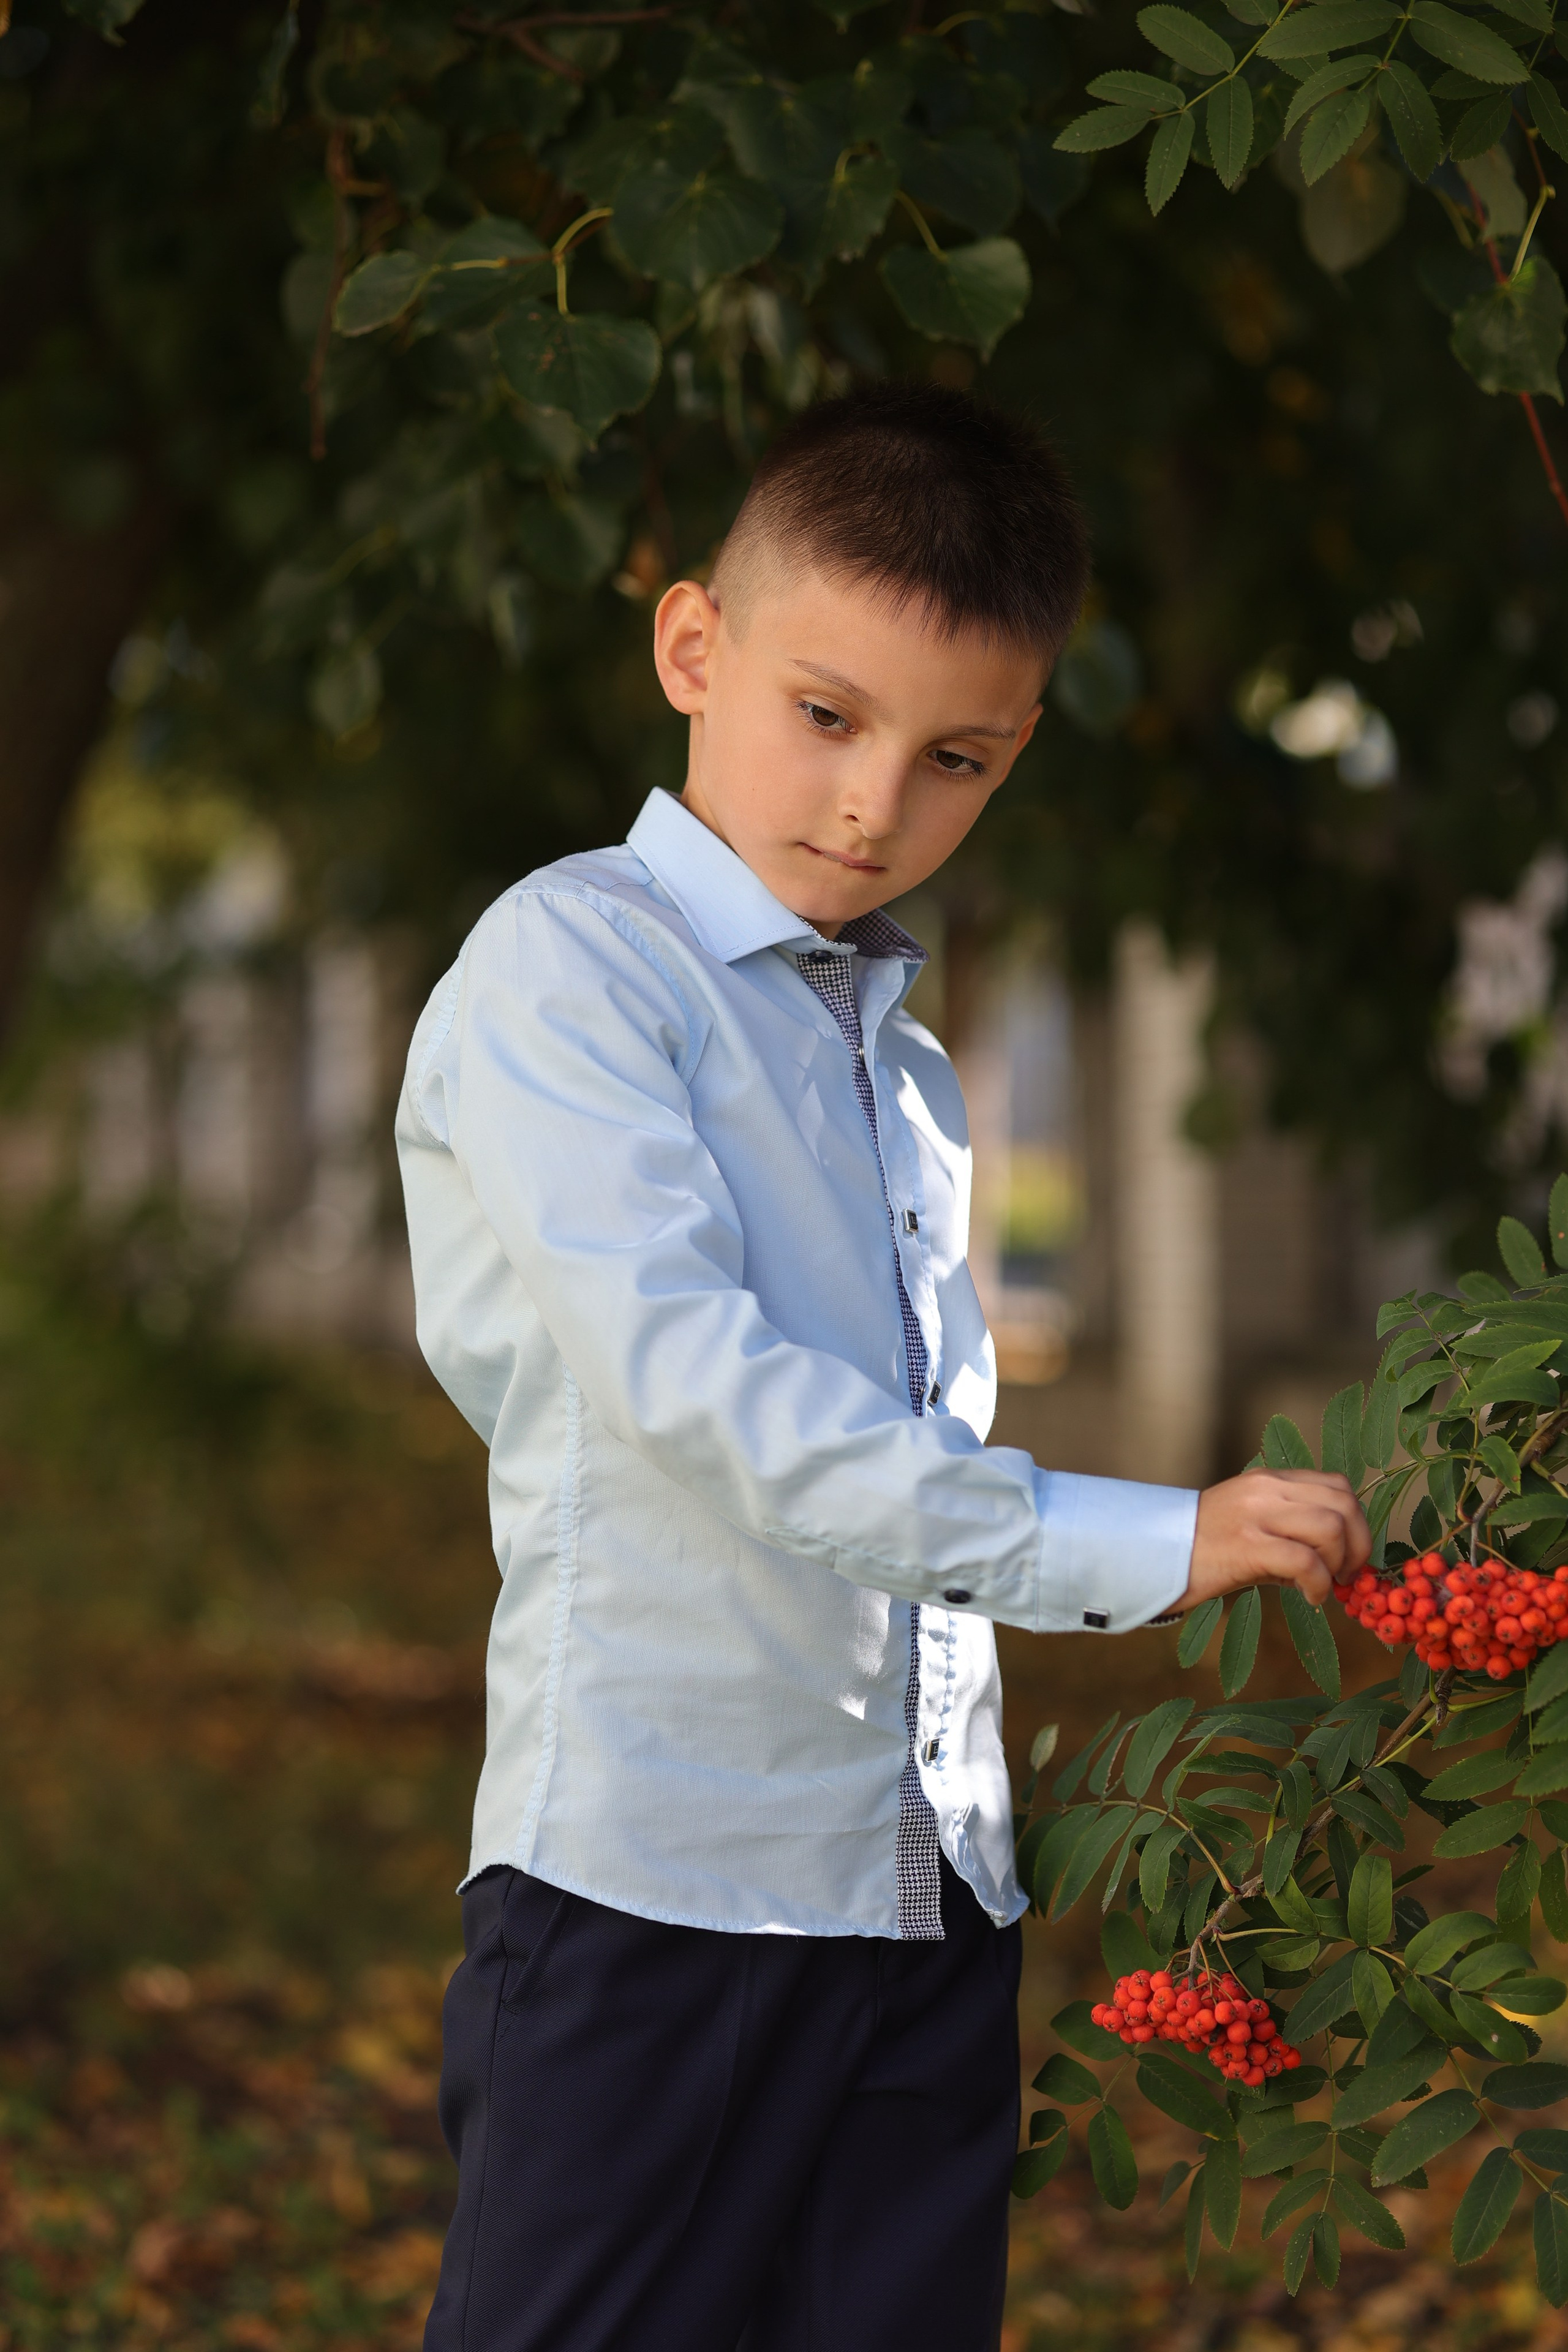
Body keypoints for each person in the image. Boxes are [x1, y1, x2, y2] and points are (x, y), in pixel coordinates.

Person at [396, 380, 1370, 2352]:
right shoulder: (570, 970)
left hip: (925, 1900)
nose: (874, 807)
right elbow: (712, 1400)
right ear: (694, 647)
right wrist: (1148, 1538)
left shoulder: (902, 1065)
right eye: (828, 716)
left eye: (956, 760)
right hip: (656, 1889)